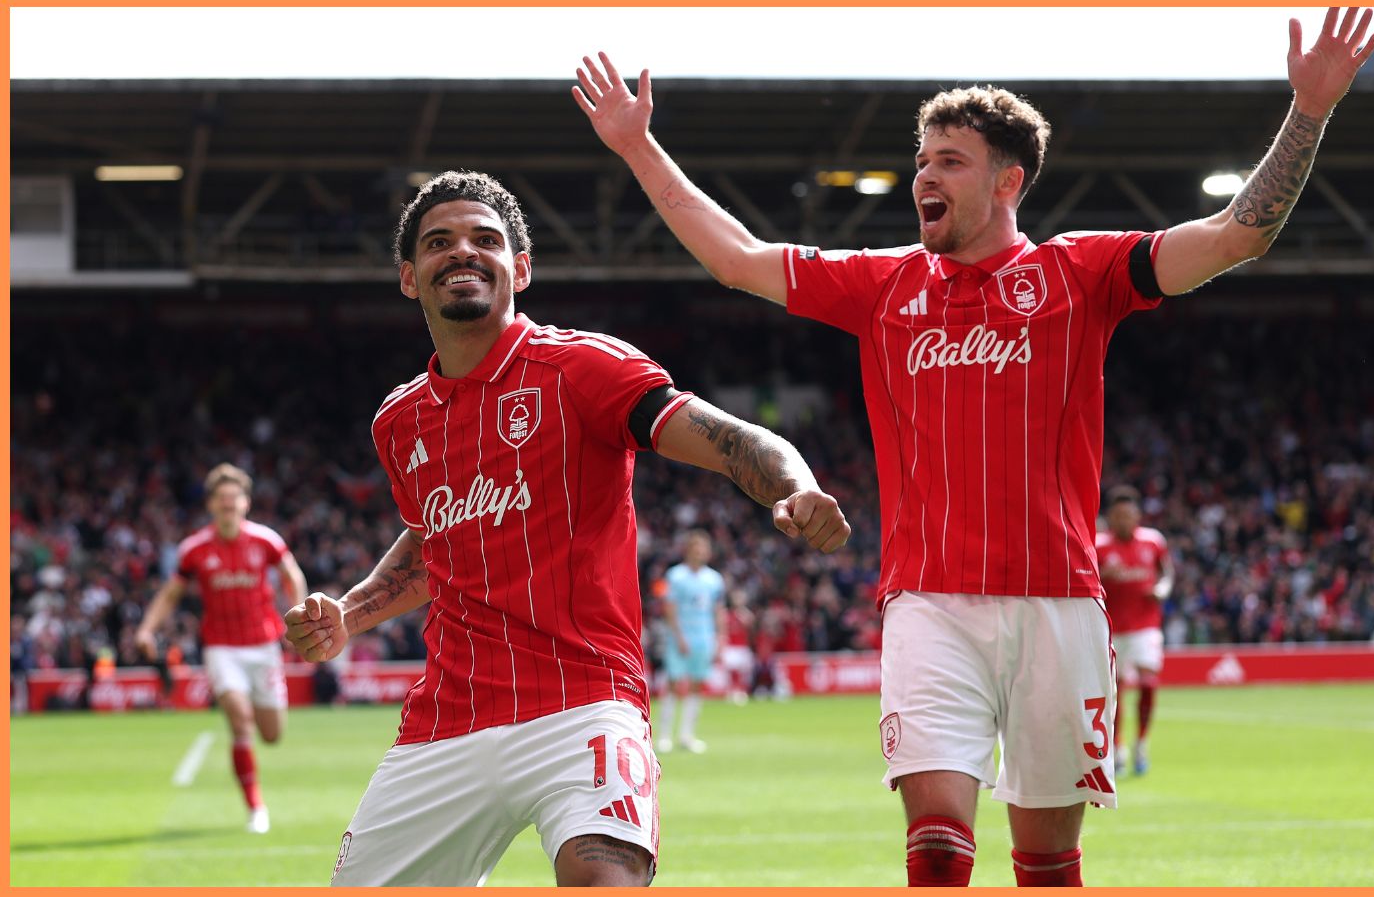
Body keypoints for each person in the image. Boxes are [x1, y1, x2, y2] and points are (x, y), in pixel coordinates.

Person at [575, 7, 1374, 886]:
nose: (924, 174)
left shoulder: (1083, 273)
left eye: (947, 161)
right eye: (920, 160)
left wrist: (1310, 109)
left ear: (1007, 181)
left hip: (1057, 606)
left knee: (1045, 864)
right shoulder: (882, 284)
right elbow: (736, 257)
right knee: (936, 847)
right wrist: (636, 147)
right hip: (929, 605)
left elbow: (1235, 236)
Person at [283, 170, 850, 887]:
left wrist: (797, 487)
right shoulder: (398, 421)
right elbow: (436, 538)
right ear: (408, 276)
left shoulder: (581, 368)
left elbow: (733, 438)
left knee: (602, 875)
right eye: (439, 243)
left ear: (519, 267)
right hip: (446, 721)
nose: (462, 252)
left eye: (484, 239)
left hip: (584, 702)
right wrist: (351, 612)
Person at [136, 462, 308, 834]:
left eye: (235, 497)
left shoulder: (266, 540)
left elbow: (292, 575)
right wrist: (147, 629)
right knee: (239, 718)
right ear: (211, 504)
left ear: (246, 503)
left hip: (263, 645)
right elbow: (170, 594)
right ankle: (255, 809)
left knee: (272, 734)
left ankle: (254, 792)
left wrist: (300, 615)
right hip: (221, 648)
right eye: (222, 498)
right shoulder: (194, 549)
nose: (229, 504)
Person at [1095, 486, 1174, 777]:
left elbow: (1167, 572)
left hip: (1145, 626)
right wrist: (1104, 577)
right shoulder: (1099, 546)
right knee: (1114, 691)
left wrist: (1162, 589)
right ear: (1110, 518)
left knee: (1148, 682)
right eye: (1118, 516)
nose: (1123, 520)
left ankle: (1142, 743)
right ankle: (1117, 748)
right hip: (1111, 628)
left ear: (1137, 516)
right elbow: (1086, 583)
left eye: (1128, 515)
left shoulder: (1153, 541)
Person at [655, 529, 726, 753]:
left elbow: (718, 610)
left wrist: (721, 636)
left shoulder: (714, 579)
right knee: (674, 683)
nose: (700, 552)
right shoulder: (675, 576)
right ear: (688, 550)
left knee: (697, 685)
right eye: (696, 548)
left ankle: (687, 735)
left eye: (703, 549)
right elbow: (669, 608)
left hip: (703, 638)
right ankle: (664, 736)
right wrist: (679, 636)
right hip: (680, 637)